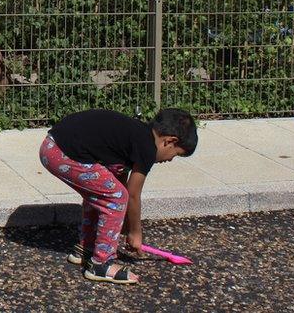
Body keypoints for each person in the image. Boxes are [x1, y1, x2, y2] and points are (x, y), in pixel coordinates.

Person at [39, 108, 198, 285]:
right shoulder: (147, 149)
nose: (169, 160)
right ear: (169, 141)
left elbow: (117, 177)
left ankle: (86, 247)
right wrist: (135, 233)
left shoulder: (137, 134)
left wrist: (123, 222)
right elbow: (132, 195)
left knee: (103, 193)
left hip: (52, 147)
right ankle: (101, 264)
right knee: (116, 197)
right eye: (175, 154)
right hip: (63, 153)